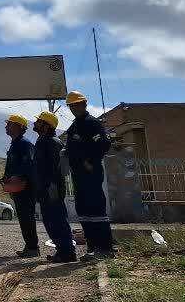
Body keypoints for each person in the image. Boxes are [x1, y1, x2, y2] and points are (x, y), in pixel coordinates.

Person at [64, 90, 115, 259]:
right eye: (71, 105)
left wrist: (90, 162)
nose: (74, 108)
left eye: (77, 104)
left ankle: (105, 248)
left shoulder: (91, 123)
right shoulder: (75, 125)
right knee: (84, 211)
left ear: (84, 104)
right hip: (78, 175)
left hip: (90, 173)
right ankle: (92, 248)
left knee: (96, 210)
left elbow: (103, 145)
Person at [33, 110, 76, 263]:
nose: (35, 123)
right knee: (50, 221)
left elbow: (55, 168)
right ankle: (62, 250)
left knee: (57, 219)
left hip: (52, 188)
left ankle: (67, 252)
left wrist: (52, 186)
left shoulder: (52, 142)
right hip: (45, 188)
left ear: (46, 125)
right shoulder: (43, 140)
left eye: (39, 121)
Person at [0, 114, 39, 258]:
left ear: (17, 126)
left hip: (26, 188)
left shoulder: (24, 144)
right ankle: (30, 246)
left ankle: (33, 247)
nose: (6, 127)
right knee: (23, 217)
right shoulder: (15, 144)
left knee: (27, 217)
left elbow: (28, 165)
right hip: (19, 187)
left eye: (9, 124)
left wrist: (17, 179)